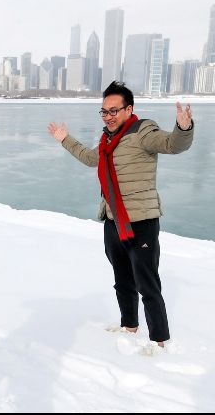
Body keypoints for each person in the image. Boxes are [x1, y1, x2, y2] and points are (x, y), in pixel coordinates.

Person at [47, 81, 194, 355]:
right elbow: (91, 159)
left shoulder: (143, 131)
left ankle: (159, 340)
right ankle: (129, 326)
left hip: (141, 222)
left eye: (114, 111)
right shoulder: (107, 140)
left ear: (129, 109)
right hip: (113, 220)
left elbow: (173, 145)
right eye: (104, 111)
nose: (108, 116)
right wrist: (65, 140)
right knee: (122, 278)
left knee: (147, 282)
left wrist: (183, 128)